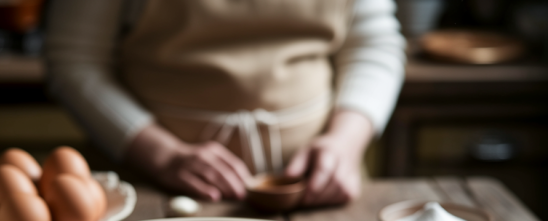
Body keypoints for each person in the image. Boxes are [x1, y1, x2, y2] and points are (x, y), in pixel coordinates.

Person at [45, 0, 405, 206]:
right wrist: (162, 155)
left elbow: (374, 44)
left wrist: (345, 142)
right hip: (153, 193)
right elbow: (75, 59)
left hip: (317, 195)